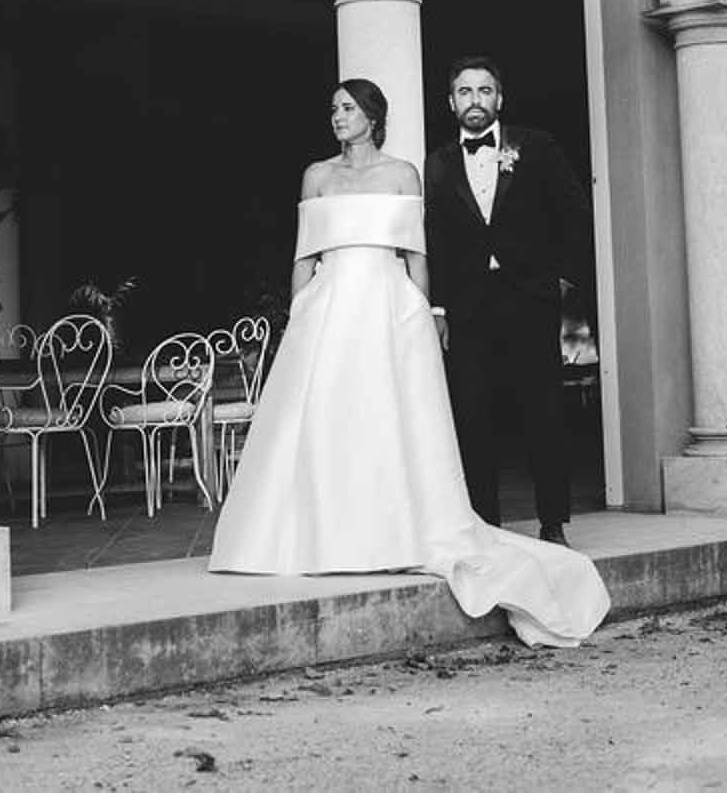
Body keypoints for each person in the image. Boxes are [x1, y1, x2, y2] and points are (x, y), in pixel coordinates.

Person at [208, 78, 608, 648]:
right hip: (328, 308)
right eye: (333, 109)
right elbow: (303, 254)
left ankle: (418, 527)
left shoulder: (404, 174)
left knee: (390, 418)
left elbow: (418, 255)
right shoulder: (316, 176)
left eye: (347, 108)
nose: (337, 117)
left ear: (372, 116)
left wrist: (425, 312)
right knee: (326, 420)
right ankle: (319, 535)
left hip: (389, 305)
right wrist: (300, 312)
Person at [423, 55, 592, 544]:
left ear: (500, 98)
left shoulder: (535, 147)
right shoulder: (437, 163)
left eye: (484, 91)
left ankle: (553, 522)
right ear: (450, 102)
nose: (475, 101)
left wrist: (561, 279)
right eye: (464, 92)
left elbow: (575, 214)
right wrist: (438, 307)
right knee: (473, 414)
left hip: (529, 299)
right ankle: (484, 523)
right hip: (469, 306)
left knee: (542, 410)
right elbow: (435, 237)